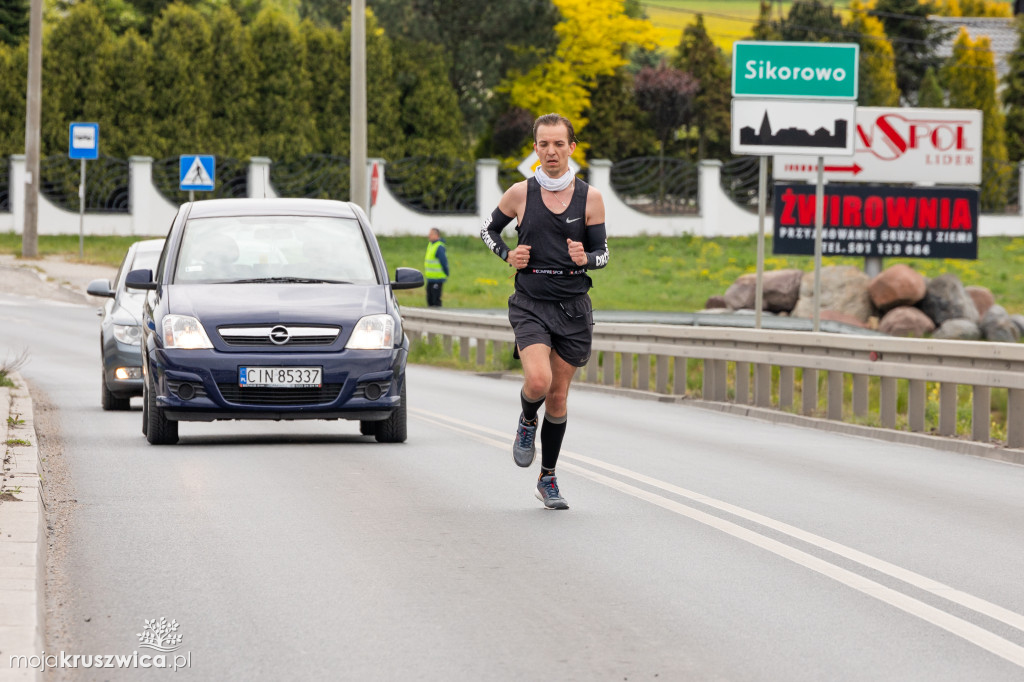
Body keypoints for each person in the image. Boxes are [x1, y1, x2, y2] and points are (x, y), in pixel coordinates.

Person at [480, 113, 609, 510]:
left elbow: (603, 255)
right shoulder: (520, 193)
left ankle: (548, 478)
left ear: (572, 147)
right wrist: (507, 254)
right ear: (535, 148)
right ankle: (525, 421)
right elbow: (487, 230)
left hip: (572, 308)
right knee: (538, 381)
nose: (550, 151)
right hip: (531, 303)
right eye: (543, 144)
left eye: (558, 144)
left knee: (558, 396)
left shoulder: (591, 198)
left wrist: (583, 257)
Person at [424, 227, 449, 307]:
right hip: (430, 278)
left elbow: (443, 261)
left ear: (436, 235)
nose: (429, 236)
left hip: (437, 278)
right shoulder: (431, 245)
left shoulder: (439, 247)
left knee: (435, 300)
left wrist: (446, 272)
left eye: (431, 234)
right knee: (429, 299)